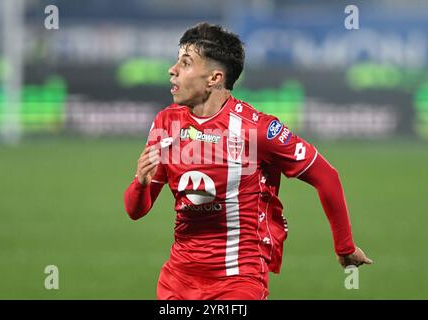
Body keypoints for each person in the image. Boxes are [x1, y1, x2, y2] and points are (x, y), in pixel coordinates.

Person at [124, 22, 372, 300]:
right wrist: (141, 182)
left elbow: (326, 176)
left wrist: (345, 247)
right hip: (177, 282)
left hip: (238, 280)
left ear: (214, 78)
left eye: (186, 63)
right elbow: (136, 210)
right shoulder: (166, 122)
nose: (172, 69)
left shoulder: (256, 130)